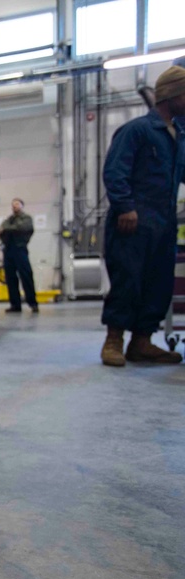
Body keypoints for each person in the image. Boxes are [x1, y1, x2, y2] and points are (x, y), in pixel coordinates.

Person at [100, 65, 185, 367]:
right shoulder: (138, 130)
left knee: (158, 283)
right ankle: (113, 341)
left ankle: (142, 342)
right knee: (128, 280)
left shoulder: (178, 136)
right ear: (173, 93)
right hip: (133, 220)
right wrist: (125, 206)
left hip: (163, 222)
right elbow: (115, 171)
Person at [0, 198, 39, 313]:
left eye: (17, 204)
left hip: (20, 250)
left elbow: (22, 227)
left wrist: (5, 230)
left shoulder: (26, 219)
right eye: (13, 205)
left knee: (26, 276)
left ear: (22, 206)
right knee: (10, 278)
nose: (15, 206)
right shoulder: (9, 219)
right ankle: (15, 304)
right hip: (8, 251)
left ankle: (32, 303)